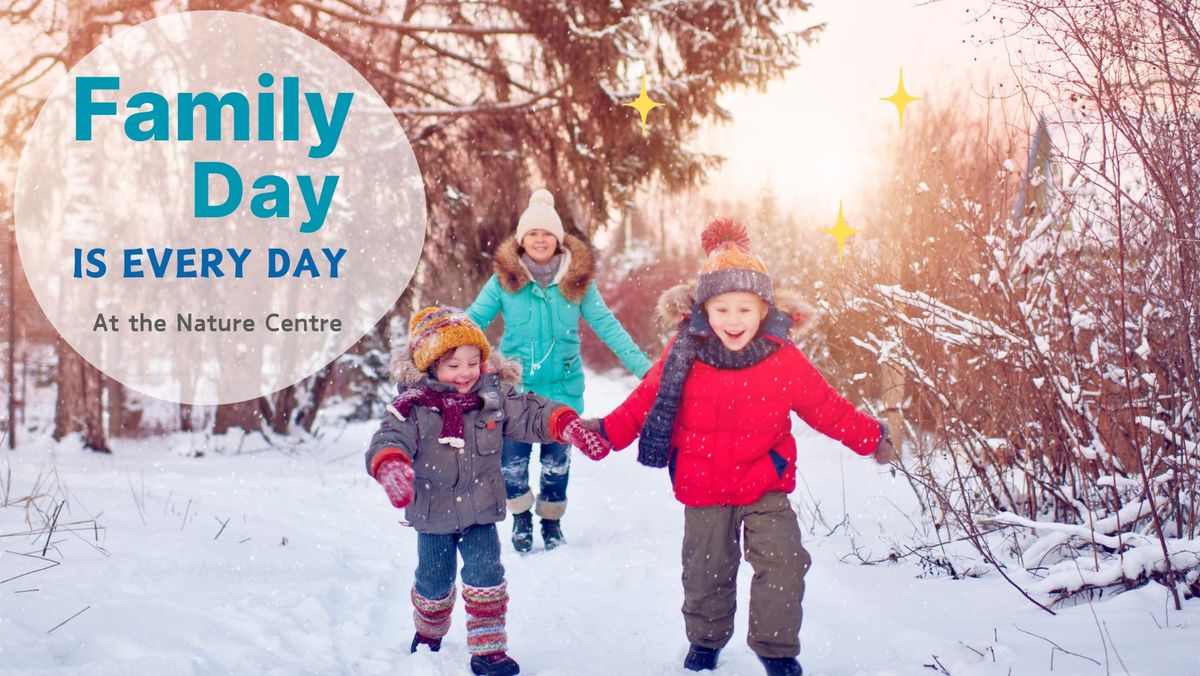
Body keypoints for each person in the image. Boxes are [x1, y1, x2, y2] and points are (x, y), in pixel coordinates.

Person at [579, 219, 895, 676]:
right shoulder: (684, 351)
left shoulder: (782, 357)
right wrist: (606, 432)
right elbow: (646, 399)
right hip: (701, 482)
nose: (733, 320)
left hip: (764, 479)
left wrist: (870, 436)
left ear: (763, 310)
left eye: (744, 309)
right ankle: (705, 641)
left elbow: (826, 407)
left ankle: (776, 649)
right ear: (703, 310)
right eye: (721, 308)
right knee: (706, 572)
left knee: (785, 563)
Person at [365, 307, 612, 676]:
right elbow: (389, 437)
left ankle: (489, 651)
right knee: (434, 583)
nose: (465, 373)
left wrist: (568, 426)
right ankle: (429, 631)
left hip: (481, 509)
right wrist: (391, 464)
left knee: (487, 577)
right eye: (453, 365)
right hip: (433, 513)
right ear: (430, 366)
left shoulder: (495, 397)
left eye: (472, 362)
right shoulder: (411, 407)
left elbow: (532, 412)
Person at [467, 188, 651, 552]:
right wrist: (439, 350)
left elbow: (608, 327)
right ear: (522, 240)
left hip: (563, 391)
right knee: (512, 466)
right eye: (533, 234)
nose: (540, 240)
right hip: (515, 394)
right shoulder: (504, 281)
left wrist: (647, 371)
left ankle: (551, 523)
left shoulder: (577, 284)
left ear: (558, 240)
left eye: (547, 234)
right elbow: (472, 322)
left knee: (556, 465)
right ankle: (521, 517)